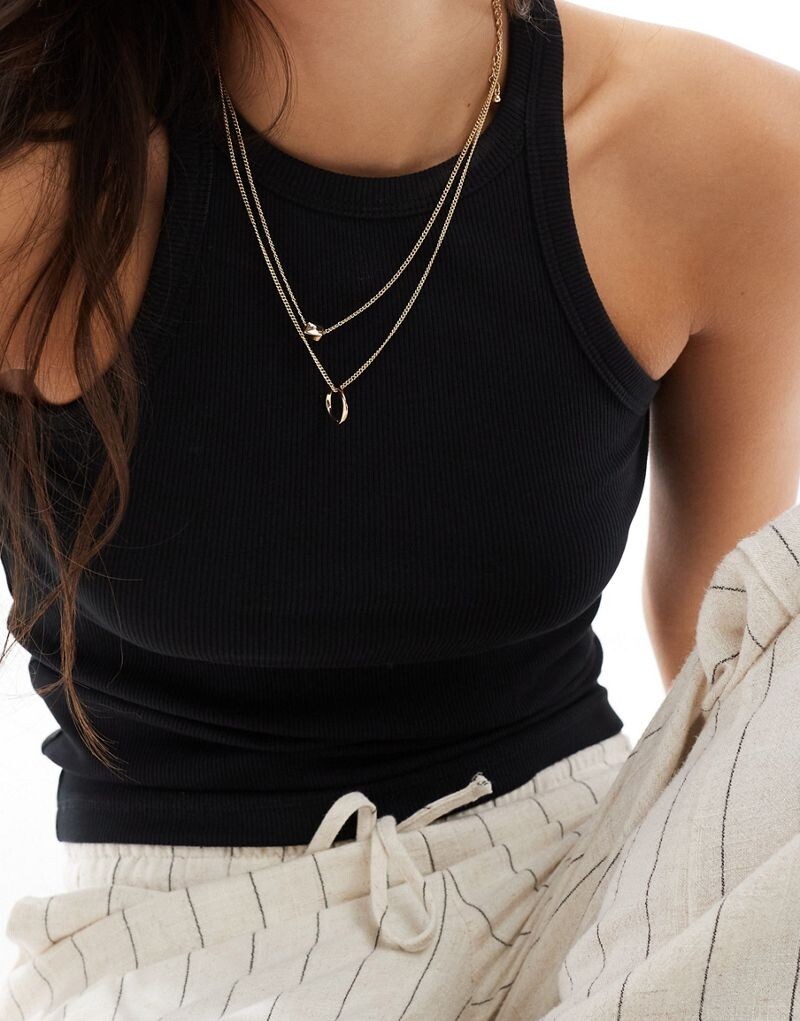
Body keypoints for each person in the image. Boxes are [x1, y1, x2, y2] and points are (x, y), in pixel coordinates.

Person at [0, 0, 799, 1017]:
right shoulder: (38, 173)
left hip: (586, 903)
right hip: (198, 943)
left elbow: (733, 680)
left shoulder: (722, 144)